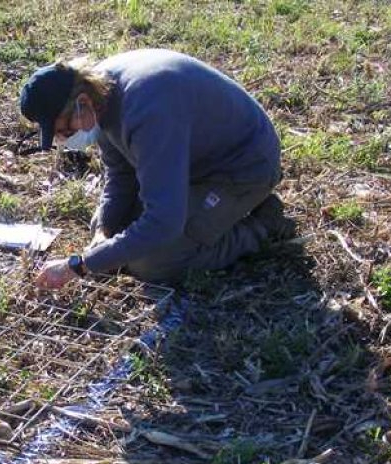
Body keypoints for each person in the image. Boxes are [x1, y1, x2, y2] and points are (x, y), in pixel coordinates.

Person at [19, 49, 293, 291]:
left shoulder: (148, 111)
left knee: (152, 262)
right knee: (112, 228)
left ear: (82, 103)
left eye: (63, 129)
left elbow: (164, 222)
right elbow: (120, 176)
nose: (64, 139)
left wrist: (79, 266)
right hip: (185, 164)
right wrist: (103, 233)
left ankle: (263, 222)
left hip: (241, 169)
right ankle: (210, 214)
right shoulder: (100, 96)